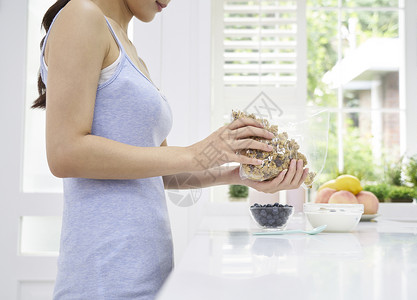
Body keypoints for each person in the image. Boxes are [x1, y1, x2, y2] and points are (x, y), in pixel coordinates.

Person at [33, 0, 310, 298]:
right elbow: (65, 153)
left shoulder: (130, 52)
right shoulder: (81, 15)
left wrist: (237, 175)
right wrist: (195, 152)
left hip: (151, 275)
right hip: (104, 279)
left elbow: (160, 173)